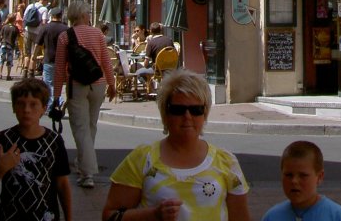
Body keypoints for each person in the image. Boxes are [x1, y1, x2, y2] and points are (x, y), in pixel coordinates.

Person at [101, 67, 250, 221]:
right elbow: (109, 216)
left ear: (205, 114)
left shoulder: (227, 162)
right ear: (165, 114)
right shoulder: (143, 159)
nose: (187, 116)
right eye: (178, 110)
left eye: (196, 110)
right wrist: (154, 215)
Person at [0, 76, 72, 221]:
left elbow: (62, 184)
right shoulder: (2, 140)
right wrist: (0, 169)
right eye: (21, 104)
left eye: (33, 104)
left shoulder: (54, 141)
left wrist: (69, 217)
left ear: (43, 109)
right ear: (14, 107)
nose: (26, 110)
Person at [53, 0, 116, 190]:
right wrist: (112, 84)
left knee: (80, 128)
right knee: (90, 126)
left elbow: (59, 69)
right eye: (88, 13)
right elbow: (106, 61)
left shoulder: (65, 36)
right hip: (98, 85)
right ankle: (83, 166)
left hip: (77, 85)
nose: (90, 16)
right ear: (82, 15)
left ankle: (87, 173)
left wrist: (56, 94)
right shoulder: (97, 33)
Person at [262, 140, 341, 221]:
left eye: (303, 175)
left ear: (319, 177)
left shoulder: (338, 217)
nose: (294, 181)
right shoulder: (272, 217)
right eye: (289, 175)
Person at [34, 5, 67, 99]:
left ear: (51, 15)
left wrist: (34, 56)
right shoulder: (66, 29)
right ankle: (56, 101)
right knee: (58, 84)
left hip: (49, 59)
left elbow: (38, 44)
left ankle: (56, 102)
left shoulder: (45, 28)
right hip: (62, 61)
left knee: (48, 84)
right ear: (61, 16)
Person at [23, 0, 51, 76]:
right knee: (34, 53)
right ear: (44, 0)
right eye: (47, 2)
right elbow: (44, 22)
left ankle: (25, 71)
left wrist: (24, 28)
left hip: (27, 31)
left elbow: (24, 18)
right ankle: (31, 72)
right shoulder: (44, 9)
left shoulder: (30, 6)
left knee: (27, 53)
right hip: (37, 33)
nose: (47, 3)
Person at [0, 15, 20, 80]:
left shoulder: (4, 27)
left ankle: (0, 74)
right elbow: (17, 37)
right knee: (9, 60)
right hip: (10, 45)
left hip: (3, 44)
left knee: (2, 59)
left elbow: (0, 35)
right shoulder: (15, 28)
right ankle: (8, 75)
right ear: (14, 20)